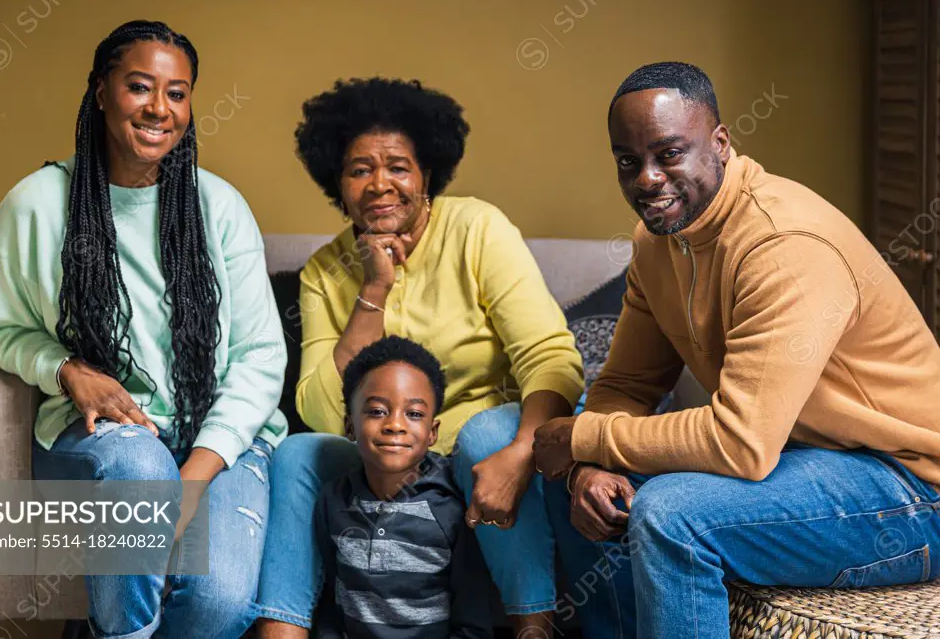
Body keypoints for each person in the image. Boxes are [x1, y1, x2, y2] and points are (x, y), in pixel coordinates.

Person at [534, 61, 940, 638]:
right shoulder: (658, 241)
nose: (647, 179)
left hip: (908, 485)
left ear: (720, 143)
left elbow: (740, 443)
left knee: (673, 515)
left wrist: (580, 437)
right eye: (629, 161)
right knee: (567, 476)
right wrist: (586, 467)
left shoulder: (785, 244)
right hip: (797, 458)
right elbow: (626, 386)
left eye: (669, 153)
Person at [0, 20, 288, 639]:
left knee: (219, 604)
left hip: (215, 438)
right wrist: (68, 371)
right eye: (140, 87)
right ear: (100, 91)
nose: (159, 109)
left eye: (177, 93)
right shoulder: (36, 204)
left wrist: (195, 477)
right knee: (141, 465)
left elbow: (259, 357)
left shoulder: (219, 206)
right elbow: (3, 333)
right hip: (97, 437)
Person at [255, 77, 584, 638]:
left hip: (481, 442)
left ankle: (533, 625)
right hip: (380, 447)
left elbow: (552, 358)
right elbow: (317, 407)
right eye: (360, 169)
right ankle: (282, 629)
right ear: (337, 182)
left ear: (427, 173)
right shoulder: (322, 272)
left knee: (485, 437)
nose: (380, 184)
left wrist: (523, 449)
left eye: (398, 167)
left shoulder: (476, 228)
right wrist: (373, 289)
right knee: (298, 454)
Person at [312, 336, 492, 638]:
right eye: (377, 411)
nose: (395, 424)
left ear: (432, 432)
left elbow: (473, 619)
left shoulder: (452, 504)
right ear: (350, 426)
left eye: (414, 414)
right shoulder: (333, 500)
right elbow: (330, 602)